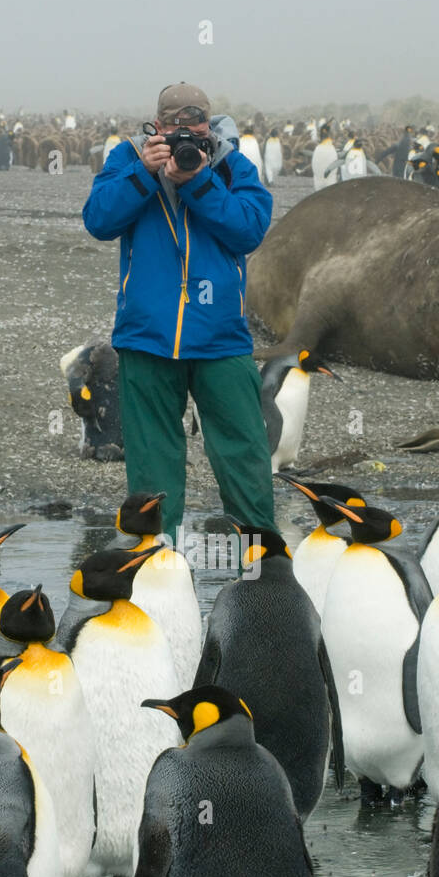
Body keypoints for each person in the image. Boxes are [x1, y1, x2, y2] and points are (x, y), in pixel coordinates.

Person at [82, 82, 275, 544]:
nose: (185, 135)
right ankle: (157, 561)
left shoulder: (230, 166)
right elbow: (99, 221)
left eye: (195, 124)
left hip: (221, 337)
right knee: (152, 463)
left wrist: (201, 181)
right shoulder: (129, 159)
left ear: (208, 123)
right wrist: (143, 176)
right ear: (158, 126)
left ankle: (264, 563)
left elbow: (250, 230)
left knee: (244, 453)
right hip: (148, 336)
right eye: (175, 126)